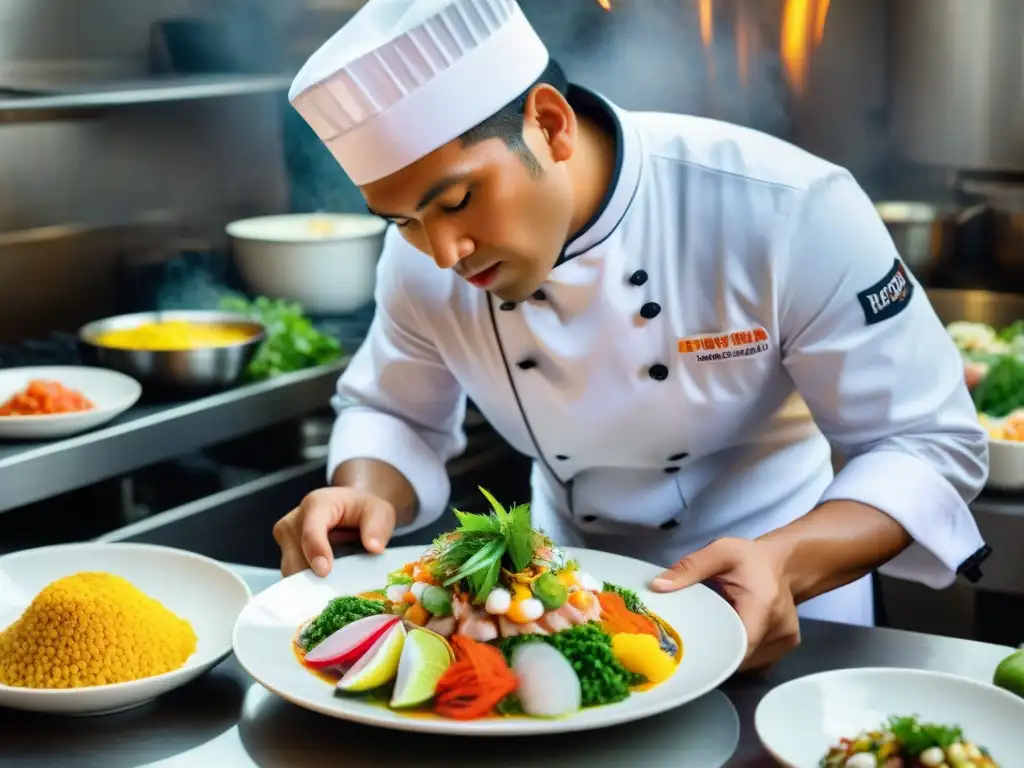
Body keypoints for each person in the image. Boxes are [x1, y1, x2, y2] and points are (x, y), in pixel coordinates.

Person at [273, 0, 992, 670]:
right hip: (553, 613)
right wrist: (367, 492)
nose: (442, 253)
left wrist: (786, 561)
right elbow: (393, 412)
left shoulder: (786, 209)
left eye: (458, 201)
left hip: (786, 610)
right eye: (401, 220)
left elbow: (925, 440)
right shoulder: (420, 260)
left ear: (550, 125)